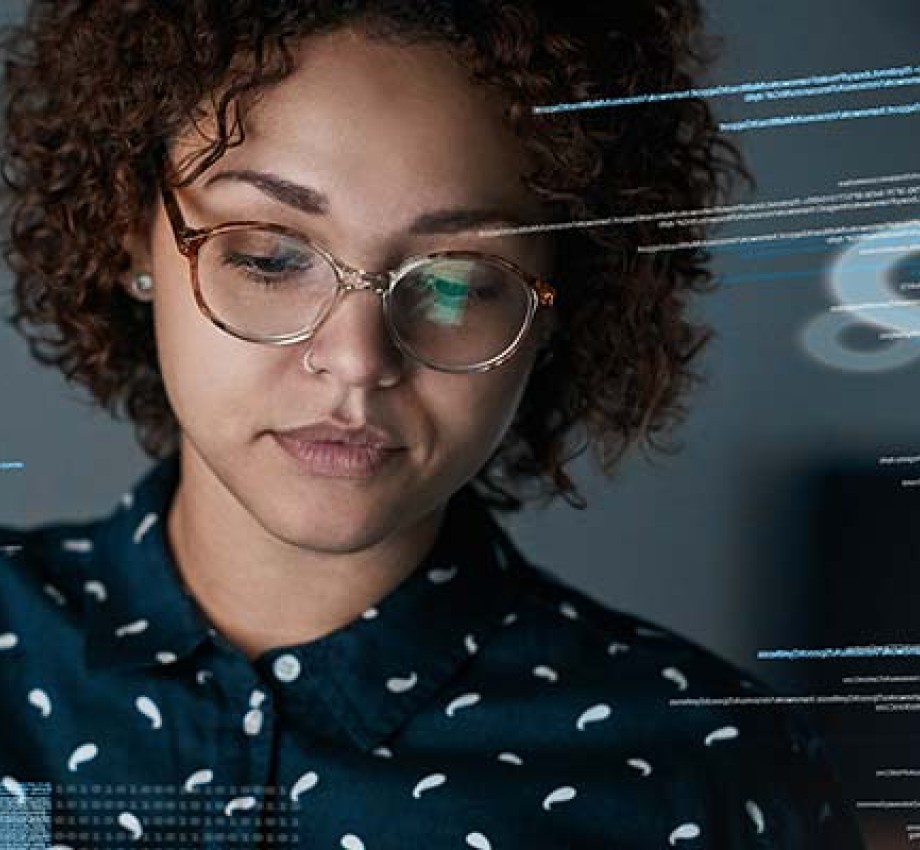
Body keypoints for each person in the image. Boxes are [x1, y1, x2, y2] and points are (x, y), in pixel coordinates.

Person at [0, 1, 866, 848]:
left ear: (560, 303)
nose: (357, 358)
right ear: (130, 235)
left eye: (455, 282)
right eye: (270, 256)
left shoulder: (712, 774)